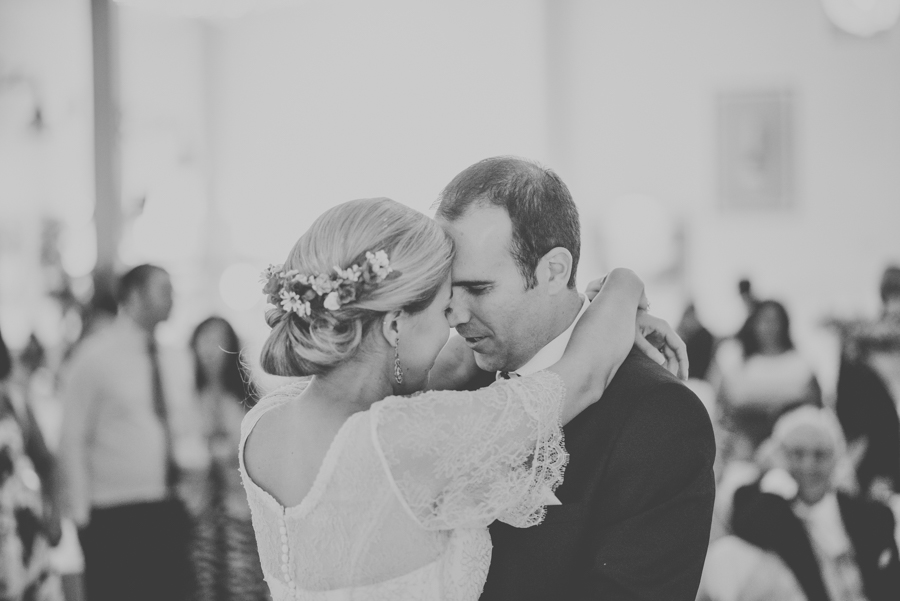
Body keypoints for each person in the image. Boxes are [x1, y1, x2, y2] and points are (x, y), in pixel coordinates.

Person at [240, 197, 685, 600]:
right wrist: (624, 284)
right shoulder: (403, 439)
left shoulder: (264, 422)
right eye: (443, 311)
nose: (454, 324)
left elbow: (452, 363)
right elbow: (584, 376)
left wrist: (564, 306)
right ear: (394, 326)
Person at [432, 156, 715, 600]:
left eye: (479, 289)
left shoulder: (658, 415)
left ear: (554, 271)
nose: (455, 314)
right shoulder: (445, 385)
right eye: (448, 289)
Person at [57, 264, 193, 601]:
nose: (172, 299)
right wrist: (81, 515)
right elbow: (72, 436)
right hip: (112, 512)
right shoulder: (94, 356)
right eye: (164, 290)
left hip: (169, 506)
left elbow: (183, 428)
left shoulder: (176, 357)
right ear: (133, 296)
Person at [720, 406, 900, 601]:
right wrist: (776, 481)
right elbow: (746, 526)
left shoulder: (872, 515)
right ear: (780, 456)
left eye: (819, 454)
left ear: (835, 459)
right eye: (797, 454)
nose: (808, 466)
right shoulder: (771, 510)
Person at [188, 316, 267, 601]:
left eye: (219, 341)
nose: (211, 349)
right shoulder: (184, 396)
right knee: (204, 587)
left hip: (241, 511)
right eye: (205, 340)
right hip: (197, 514)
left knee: (242, 586)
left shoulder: (245, 399)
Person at [715, 299, 822, 460]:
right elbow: (722, 404)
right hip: (745, 437)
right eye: (764, 320)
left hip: (790, 442)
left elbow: (814, 405)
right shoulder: (735, 360)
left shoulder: (801, 363)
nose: (770, 327)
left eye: (775, 321)